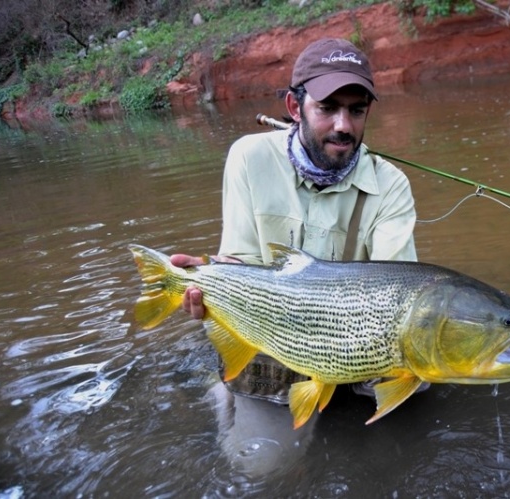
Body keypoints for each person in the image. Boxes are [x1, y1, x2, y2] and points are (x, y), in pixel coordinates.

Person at [171, 37, 419, 405]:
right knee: (263, 465)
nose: (344, 125)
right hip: (271, 335)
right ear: (294, 106)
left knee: (420, 373)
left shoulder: (391, 184)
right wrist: (209, 284)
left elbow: (402, 297)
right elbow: (240, 265)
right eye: (327, 108)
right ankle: (220, 395)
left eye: (356, 110)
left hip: (360, 345)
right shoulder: (249, 157)